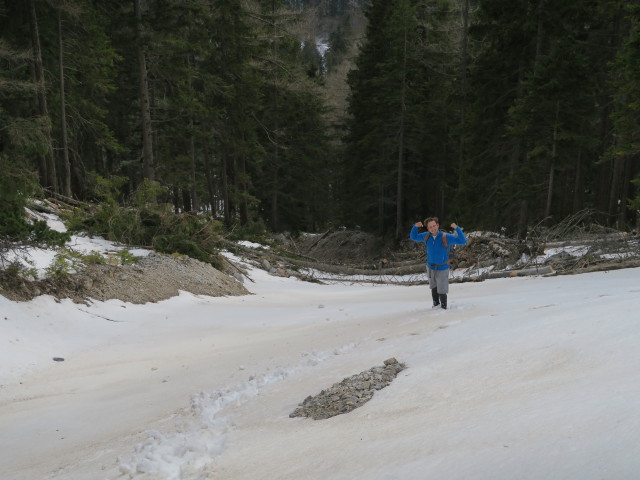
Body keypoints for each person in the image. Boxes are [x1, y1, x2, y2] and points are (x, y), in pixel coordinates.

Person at [410, 217, 467, 309]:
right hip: (430, 267)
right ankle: (435, 305)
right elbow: (414, 237)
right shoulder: (426, 236)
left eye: (434, 226)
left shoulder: (446, 236)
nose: (433, 228)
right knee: (433, 287)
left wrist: (457, 228)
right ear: (428, 229)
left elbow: (463, 241)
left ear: (438, 225)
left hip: (443, 267)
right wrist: (415, 227)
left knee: (442, 289)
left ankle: (443, 307)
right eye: (430, 227)